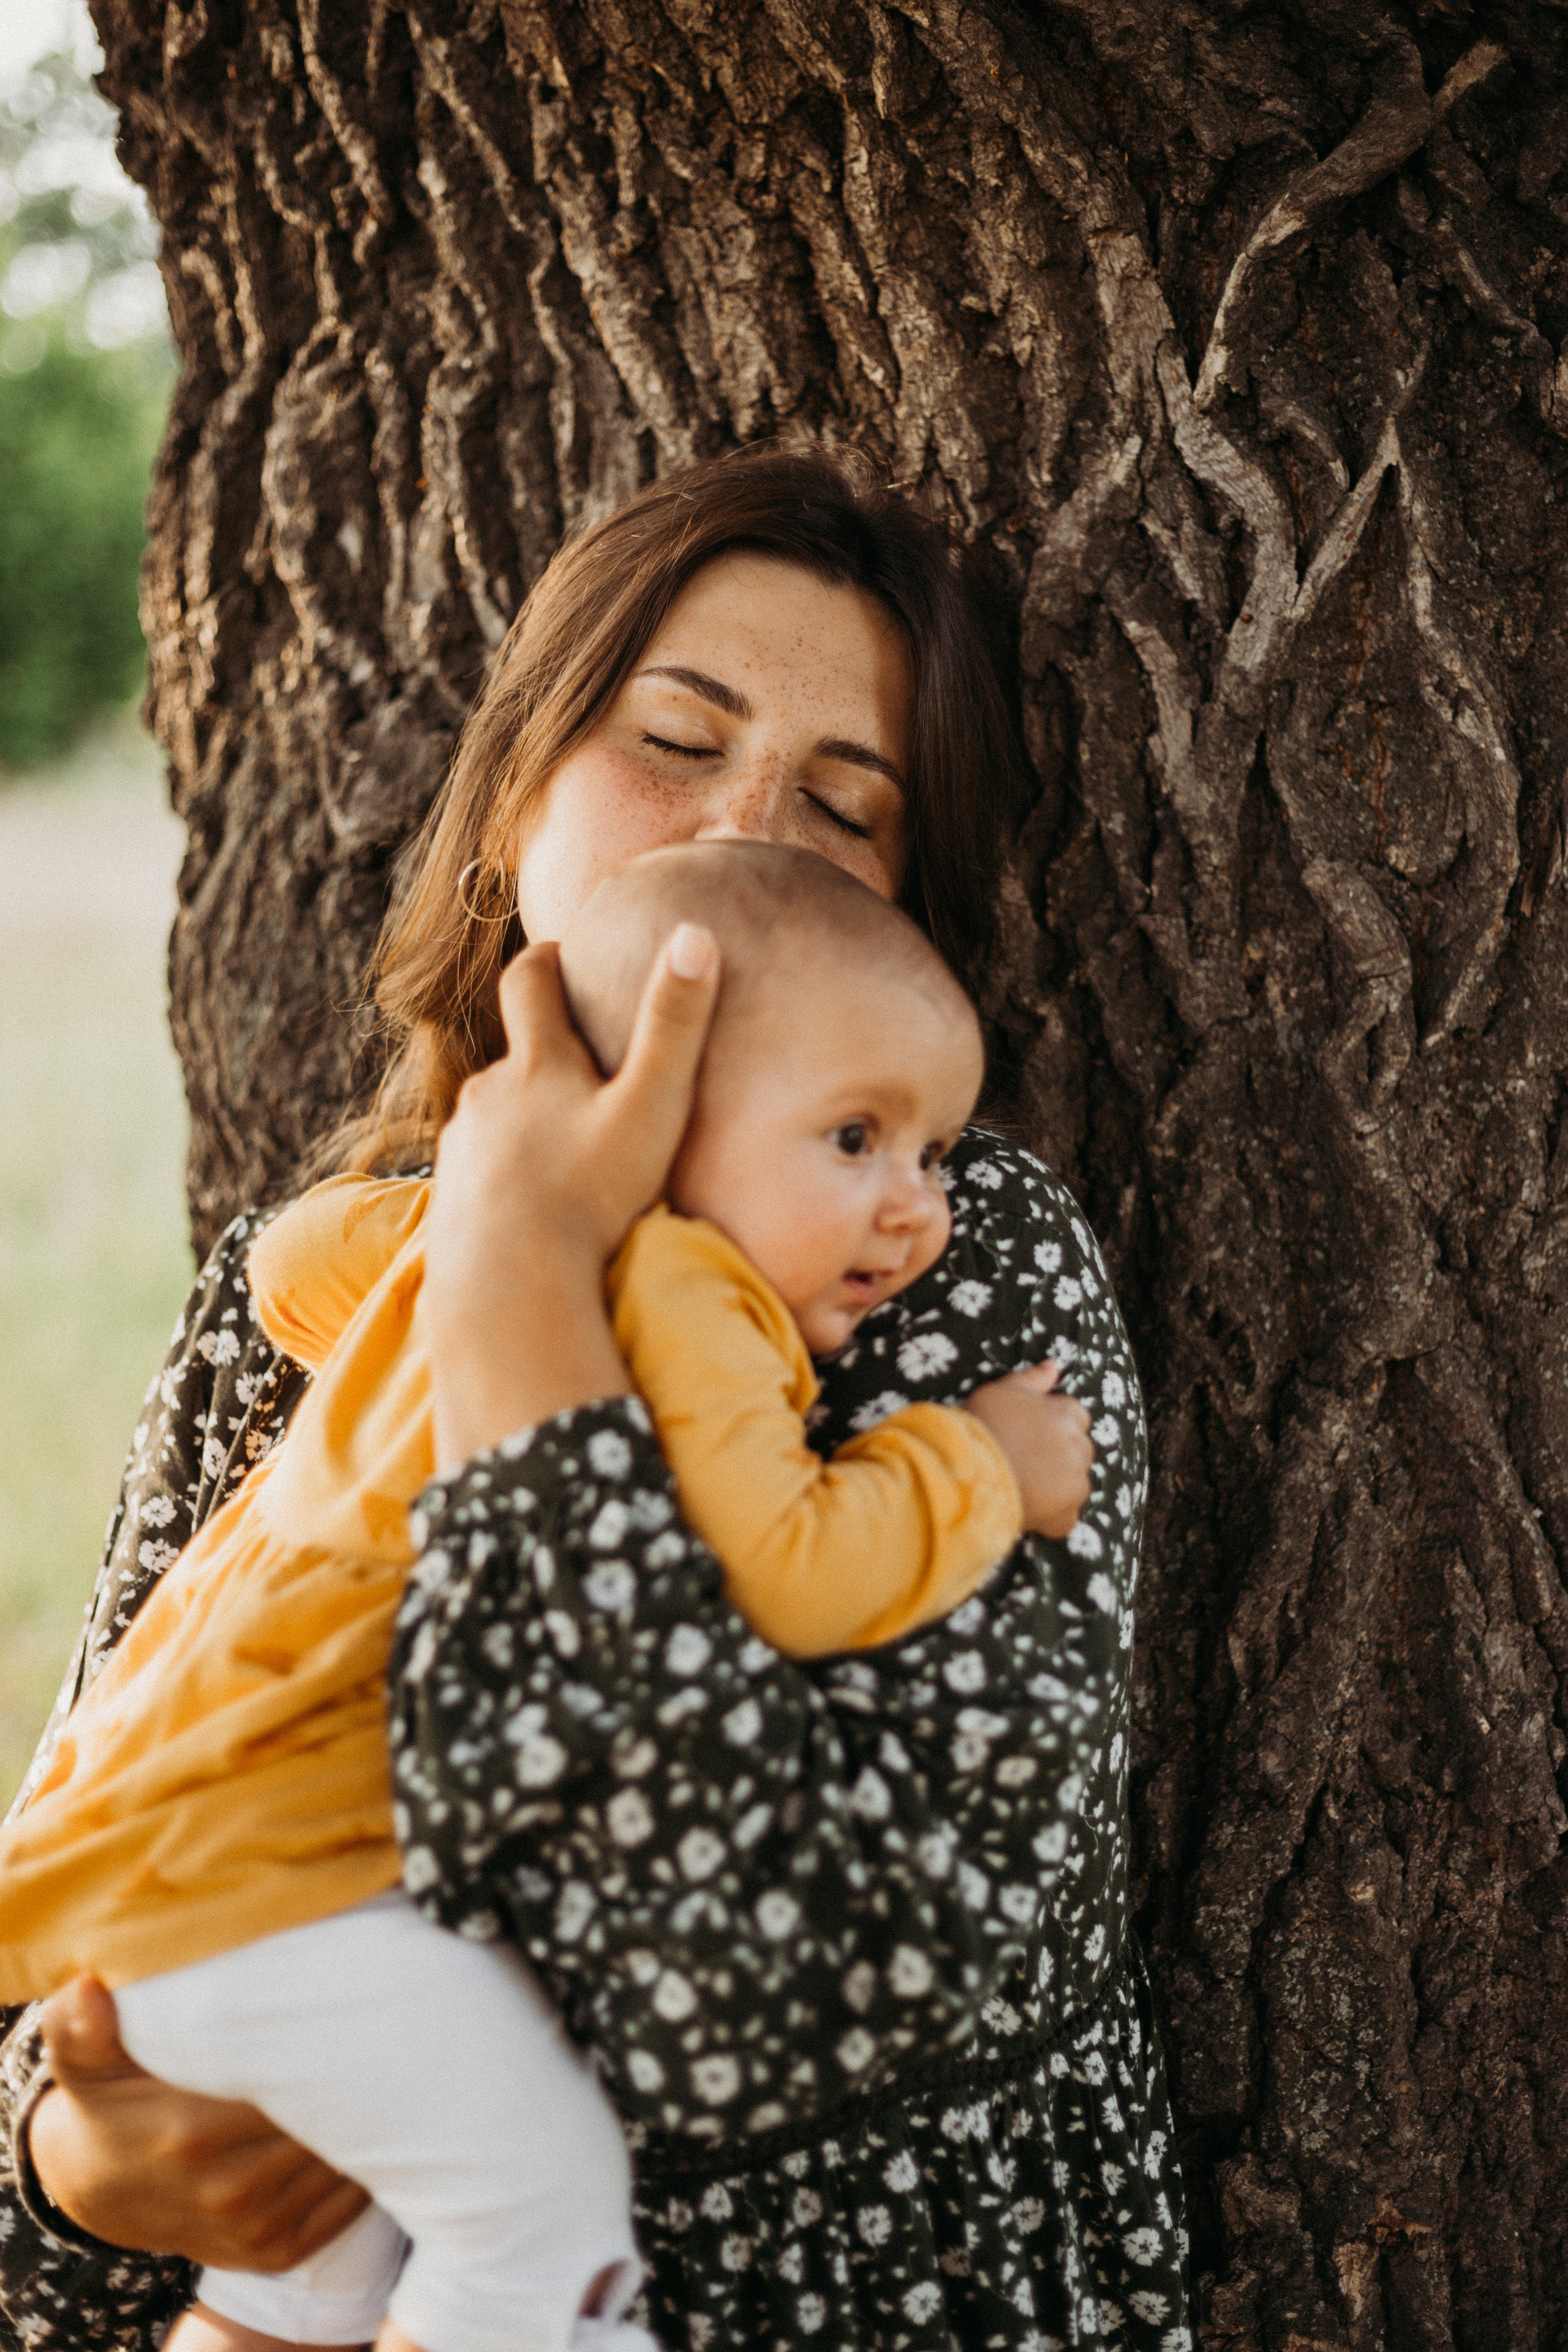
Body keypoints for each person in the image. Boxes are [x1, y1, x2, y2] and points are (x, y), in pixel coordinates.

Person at [0, 446, 1190, 2351]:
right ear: (513, 802)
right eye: (676, 735)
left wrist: (526, 1294)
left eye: (846, 803)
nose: (750, 831)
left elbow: (784, 2006)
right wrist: (81, 2151)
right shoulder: (308, 1273)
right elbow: (132, 1815)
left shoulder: (952, 1268)